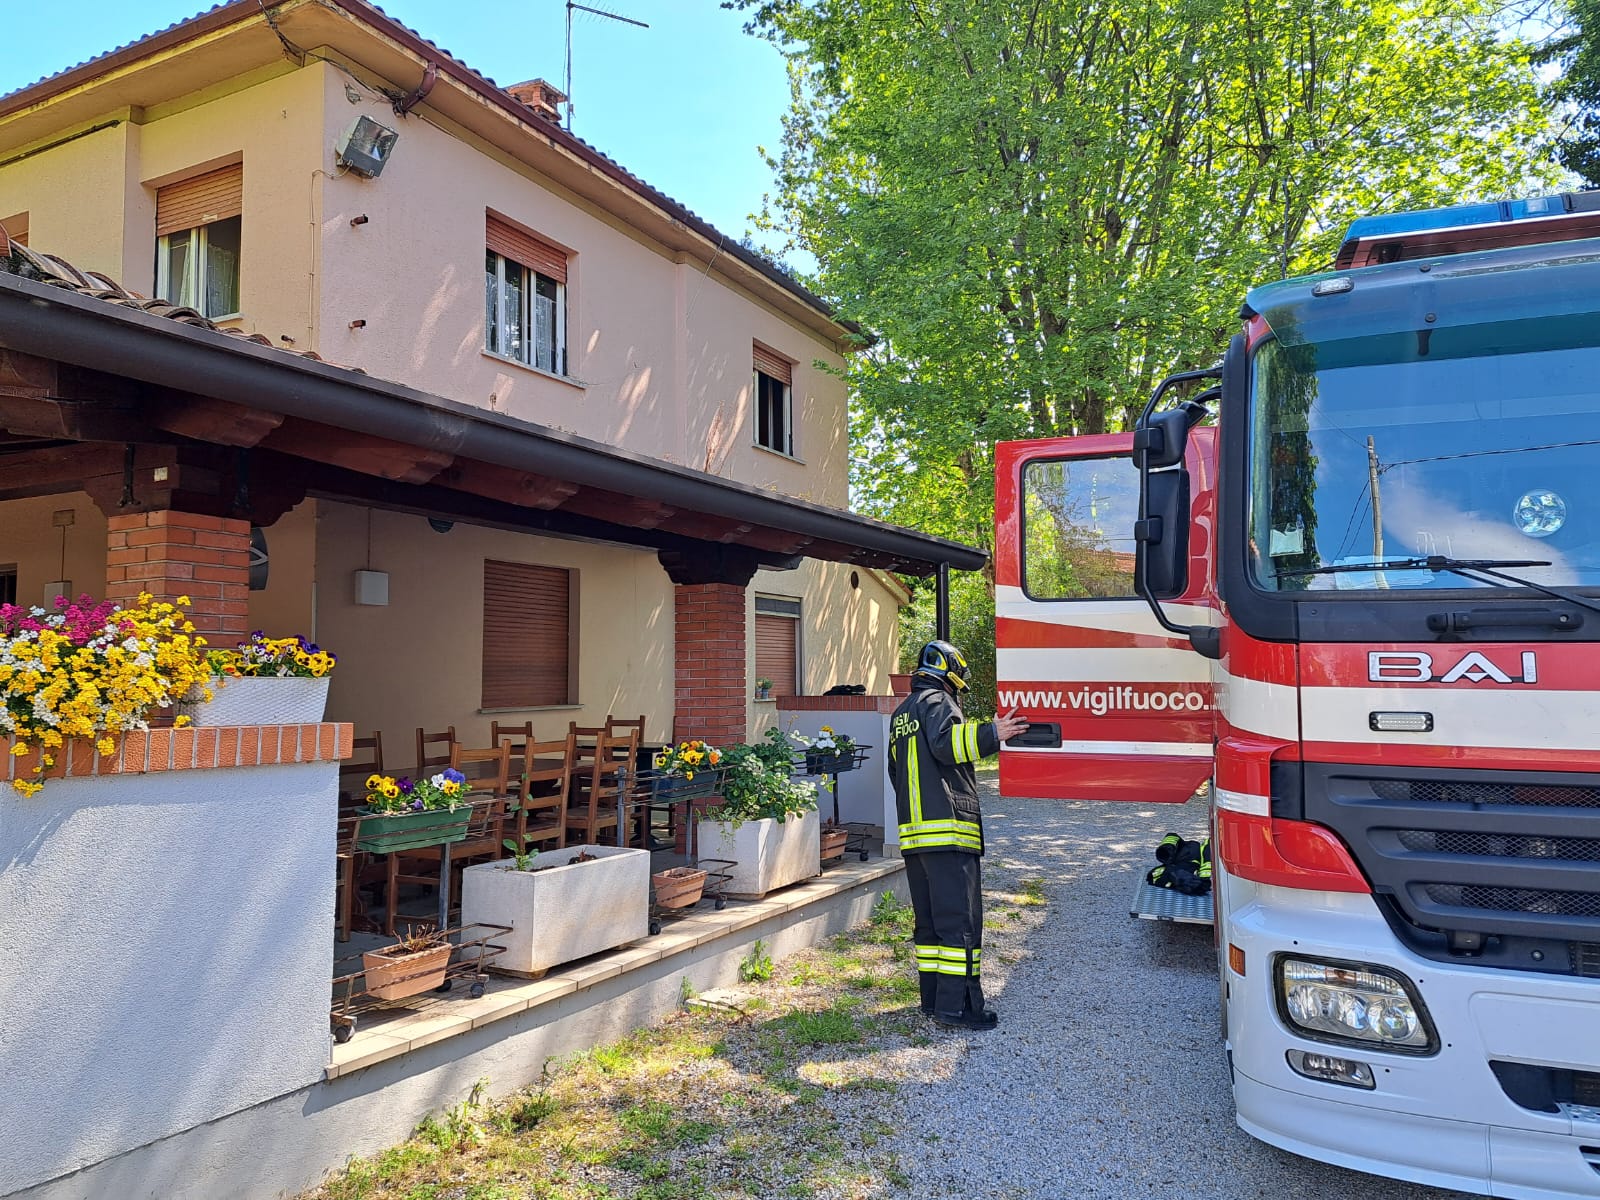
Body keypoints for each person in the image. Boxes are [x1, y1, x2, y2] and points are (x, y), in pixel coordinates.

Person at [887, 639, 1028, 1031]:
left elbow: (895, 772)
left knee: (930, 925)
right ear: (949, 673)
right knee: (960, 924)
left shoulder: (901, 715)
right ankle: (961, 1009)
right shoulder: (938, 703)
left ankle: (932, 1001)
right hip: (949, 832)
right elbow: (948, 745)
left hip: (915, 838)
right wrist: (993, 732)